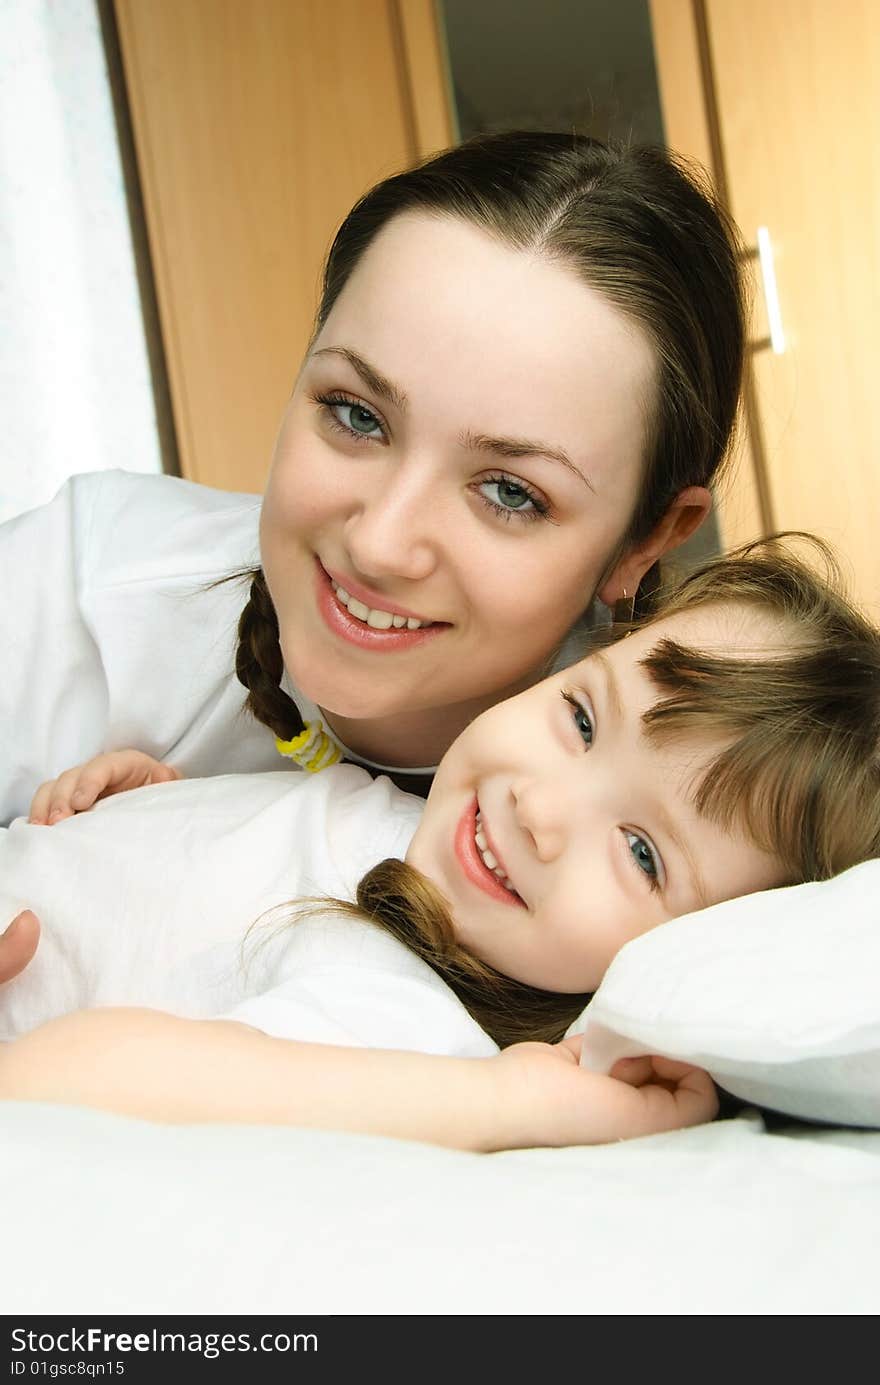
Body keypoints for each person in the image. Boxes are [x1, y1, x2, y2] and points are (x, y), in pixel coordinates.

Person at [2, 539, 879, 1151]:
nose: (540, 807)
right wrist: (165, 819)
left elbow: (93, 1087)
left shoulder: (408, 1020)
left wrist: (507, 1101)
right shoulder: (412, 828)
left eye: (643, 853)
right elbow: (261, 881)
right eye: (580, 716)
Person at [0, 130, 747, 827]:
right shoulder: (91, 581)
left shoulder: (685, 830)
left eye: (510, 492)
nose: (382, 544)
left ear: (647, 540)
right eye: (357, 416)